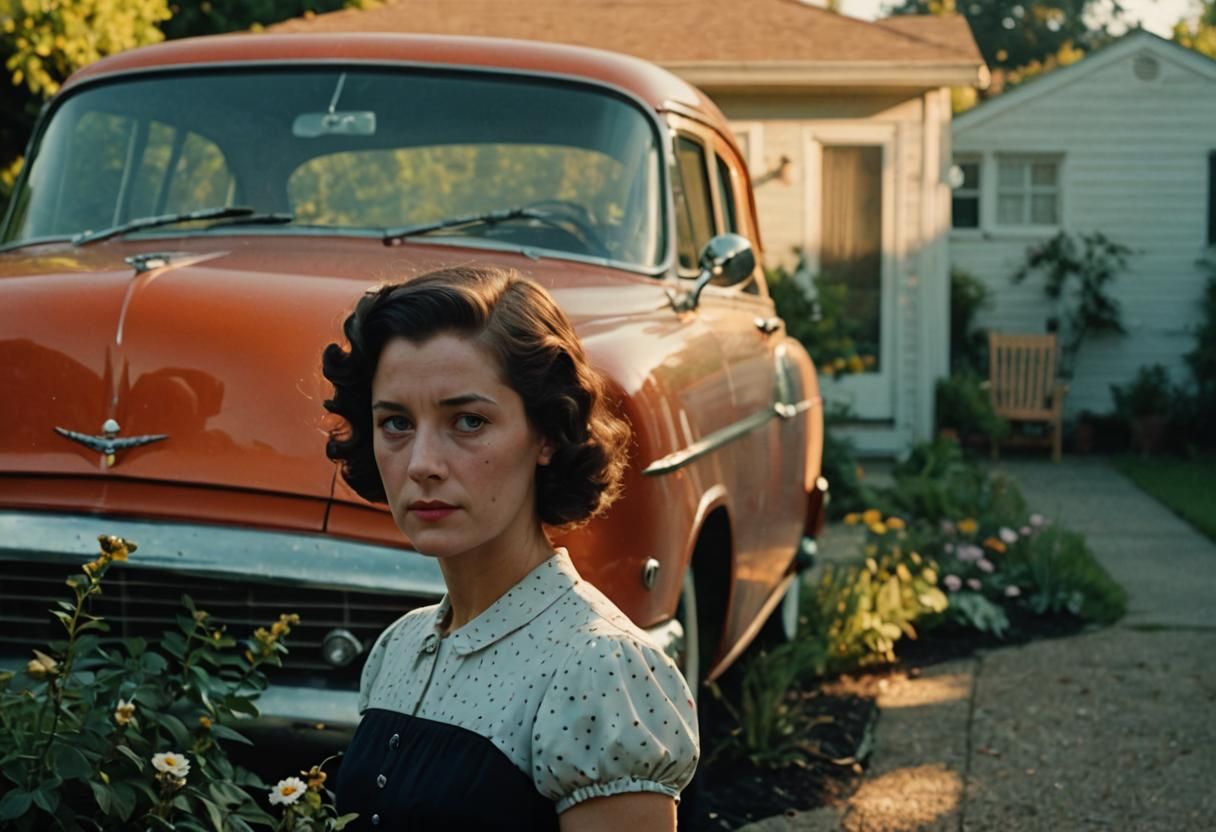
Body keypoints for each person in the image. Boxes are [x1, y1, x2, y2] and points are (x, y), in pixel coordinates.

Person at [321, 265, 699, 830]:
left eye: (468, 421)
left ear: (546, 433)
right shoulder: (398, 649)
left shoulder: (598, 668)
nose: (422, 464)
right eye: (396, 422)